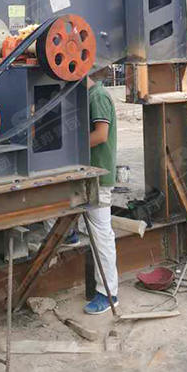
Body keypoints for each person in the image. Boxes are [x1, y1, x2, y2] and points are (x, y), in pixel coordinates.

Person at [82, 71, 119, 315]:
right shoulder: (87, 96)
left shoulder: (98, 96)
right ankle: (70, 236)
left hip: (100, 178)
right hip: (87, 175)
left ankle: (108, 293)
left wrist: (68, 147)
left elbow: (101, 135)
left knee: (101, 234)